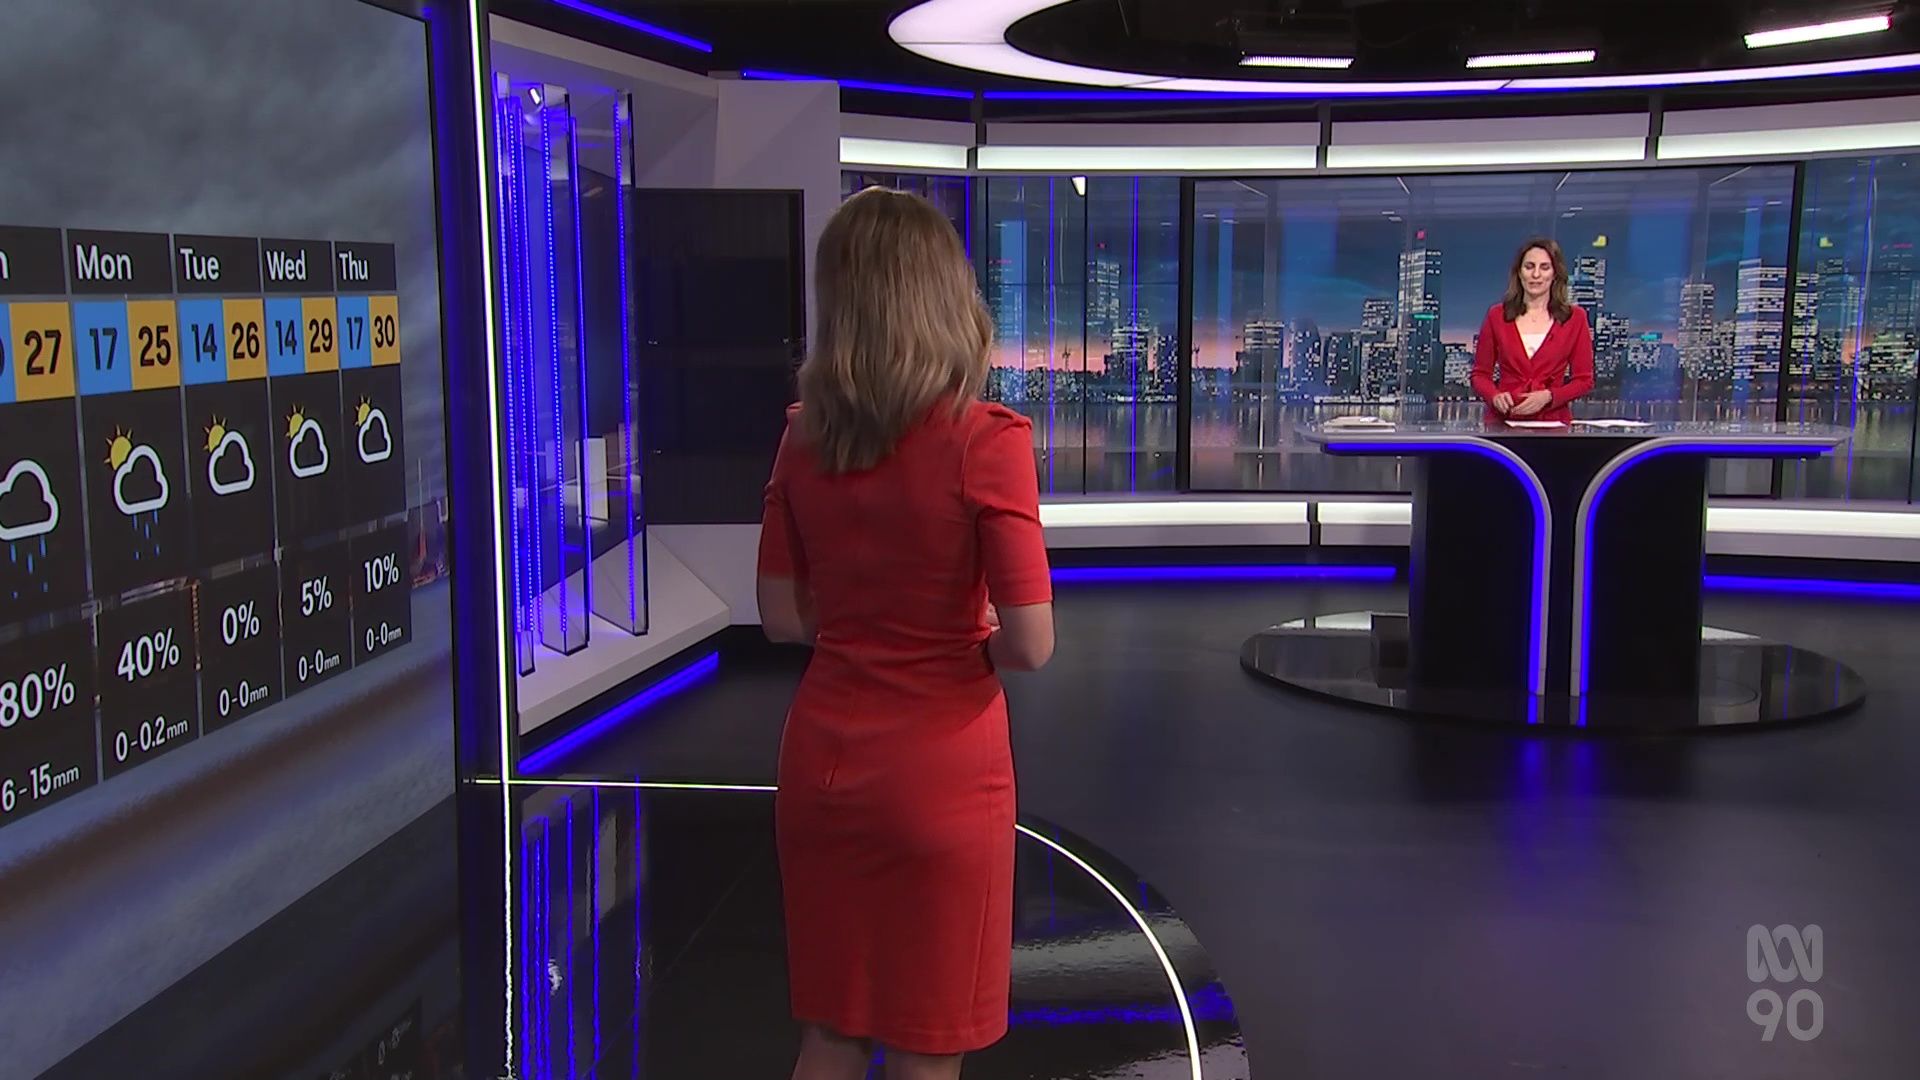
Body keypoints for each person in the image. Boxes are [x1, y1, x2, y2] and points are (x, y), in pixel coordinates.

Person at [756, 187, 1055, 1080]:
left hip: (821, 767)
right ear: (943, 296)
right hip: (941, 776)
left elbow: (781, 617)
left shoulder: (802, 440)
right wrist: (967, 637)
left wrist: (864, 622)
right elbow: (1031, 642)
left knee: (831, 1035)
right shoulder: (987, 440)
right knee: (927, 1050)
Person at [1471, 236, 1595, 423]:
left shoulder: (1575, 318)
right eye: (1529, 267)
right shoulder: (1497, 315)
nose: (1536, 274)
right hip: (1504, 423)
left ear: (1555, 274)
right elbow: (1480, 375)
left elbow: (1584, 380)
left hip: (1553, 424)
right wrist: (1494, 396)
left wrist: (1550, 396)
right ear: (1519, 273)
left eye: (1544, 267)